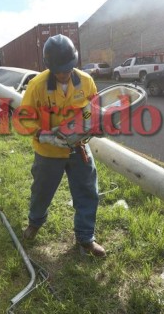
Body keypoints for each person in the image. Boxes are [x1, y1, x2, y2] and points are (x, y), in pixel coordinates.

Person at [20, 34, 106, 257]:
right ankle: (35, 223)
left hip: (79, 148)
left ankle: (86, 238)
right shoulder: (37, 85)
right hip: (48, 152)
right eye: (59, 70)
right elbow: (25, 118)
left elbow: (94, 109)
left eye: (68, 68)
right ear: (49, 67)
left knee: (87, 191)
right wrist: (43, 134)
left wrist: (98, 124)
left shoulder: (86, 81)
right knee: (41, 191)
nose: (64, 74)